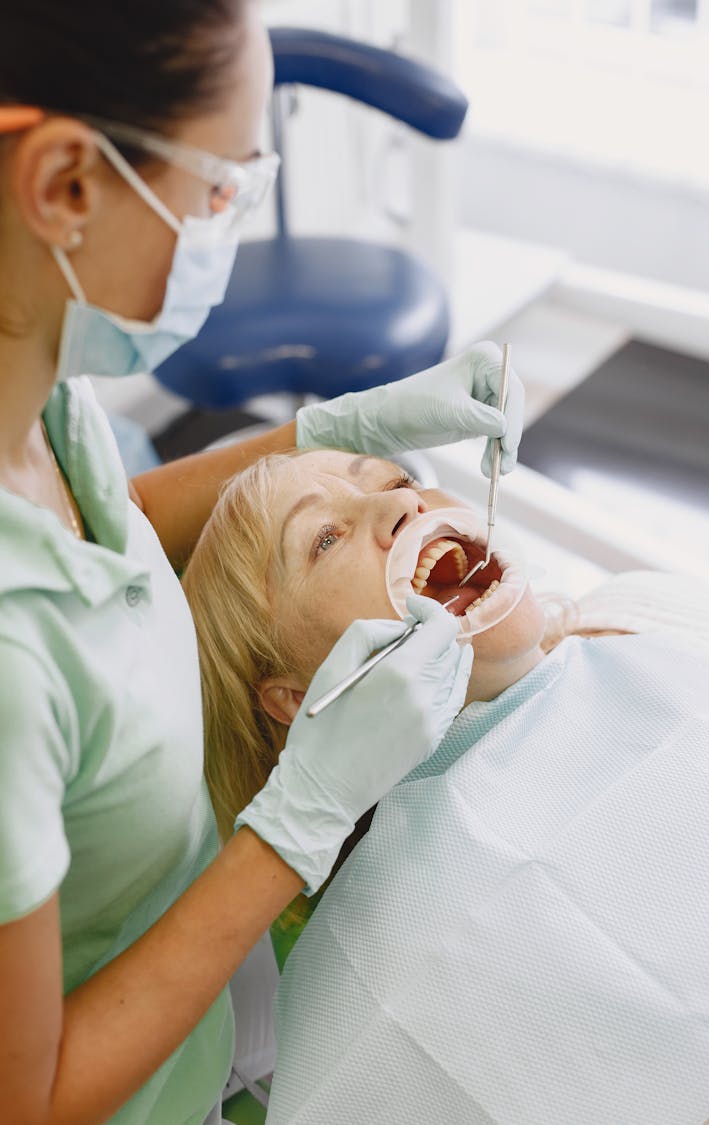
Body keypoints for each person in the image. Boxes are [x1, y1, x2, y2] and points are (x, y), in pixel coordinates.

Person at [0, 3, 526, 1122]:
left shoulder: (34, 382)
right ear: (65, 187)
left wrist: (341, 434)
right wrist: (297, 826)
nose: (393, 507)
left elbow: (99, 520)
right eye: (221, 190)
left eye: (397, 491)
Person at [183, 447, 709, 1125]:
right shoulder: (365, 986)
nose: (403, 505)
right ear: (297, 694)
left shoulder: (654, 621)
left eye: (397, 478)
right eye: (325, 540)